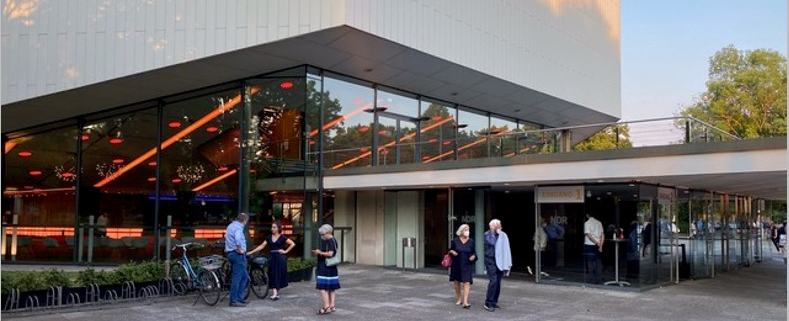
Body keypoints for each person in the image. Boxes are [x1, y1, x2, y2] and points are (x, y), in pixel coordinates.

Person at [247, 221, 295, 300]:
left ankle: (276, 292)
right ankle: (274, 293)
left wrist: (285, 251)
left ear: (278, 228)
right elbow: (262, 246)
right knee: (272, 274)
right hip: (272, 257)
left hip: (280, 257)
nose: (272, 229)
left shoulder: (282, 237)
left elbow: (292, 244)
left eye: (274, 227)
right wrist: (252, 252)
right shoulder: (269, 237)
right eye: (272, 227)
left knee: (279, 274)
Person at [483, 219, 511, 312]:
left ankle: (494, 302)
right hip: (490, 260)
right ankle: (488, 302)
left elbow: (506, 248)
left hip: (500, 260)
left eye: (500, 225)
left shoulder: (502, 235)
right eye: (497, 225)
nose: (500, 226)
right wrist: (494, 232)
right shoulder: (487, 234)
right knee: (493, 280)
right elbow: (492, 242)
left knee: (498, 281)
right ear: (493, 227)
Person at [312, 224, 340, 315]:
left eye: (323, 234)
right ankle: (332, 305)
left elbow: (330, 254)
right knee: (331, 287)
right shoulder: (333, 240)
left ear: (328, 232)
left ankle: (326, 306)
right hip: (331, 267)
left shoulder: (330, 241)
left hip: (325, 267)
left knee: (322, 287)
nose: (322, 236)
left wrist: (320, 253)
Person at [448, 224, 476, 309]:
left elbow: (474, 252)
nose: (467, 231)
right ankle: (459, 298)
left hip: (467, 264)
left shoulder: (471, 241)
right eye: (465, 229)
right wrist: (452, 252)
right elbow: (449, 250)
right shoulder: (455, 241)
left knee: (467, 282)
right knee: (457, 282)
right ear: (461, 231)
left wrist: (473, 256)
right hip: (456, 264)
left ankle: (465, 301)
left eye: (468, 229)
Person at [225, 213, 249, 307]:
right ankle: (234, 300)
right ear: (244, 221)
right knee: (237, 278)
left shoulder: (230, 226)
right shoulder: (238, 228)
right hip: (237, 255)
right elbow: (238, 239)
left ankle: (239, 298)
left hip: (231, 253)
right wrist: (239, 249)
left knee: (244, 277)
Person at [584, 212, 604, 284]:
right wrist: (600, 245)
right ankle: (598, 278)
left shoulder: (587, 223)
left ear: (587, 215)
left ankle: (591, 279)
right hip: (598, 244)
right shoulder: (599, 223)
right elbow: (602, 234)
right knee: (598, 261)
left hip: (589, 244)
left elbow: (589, 235)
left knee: (590, 262)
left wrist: (596, 242)